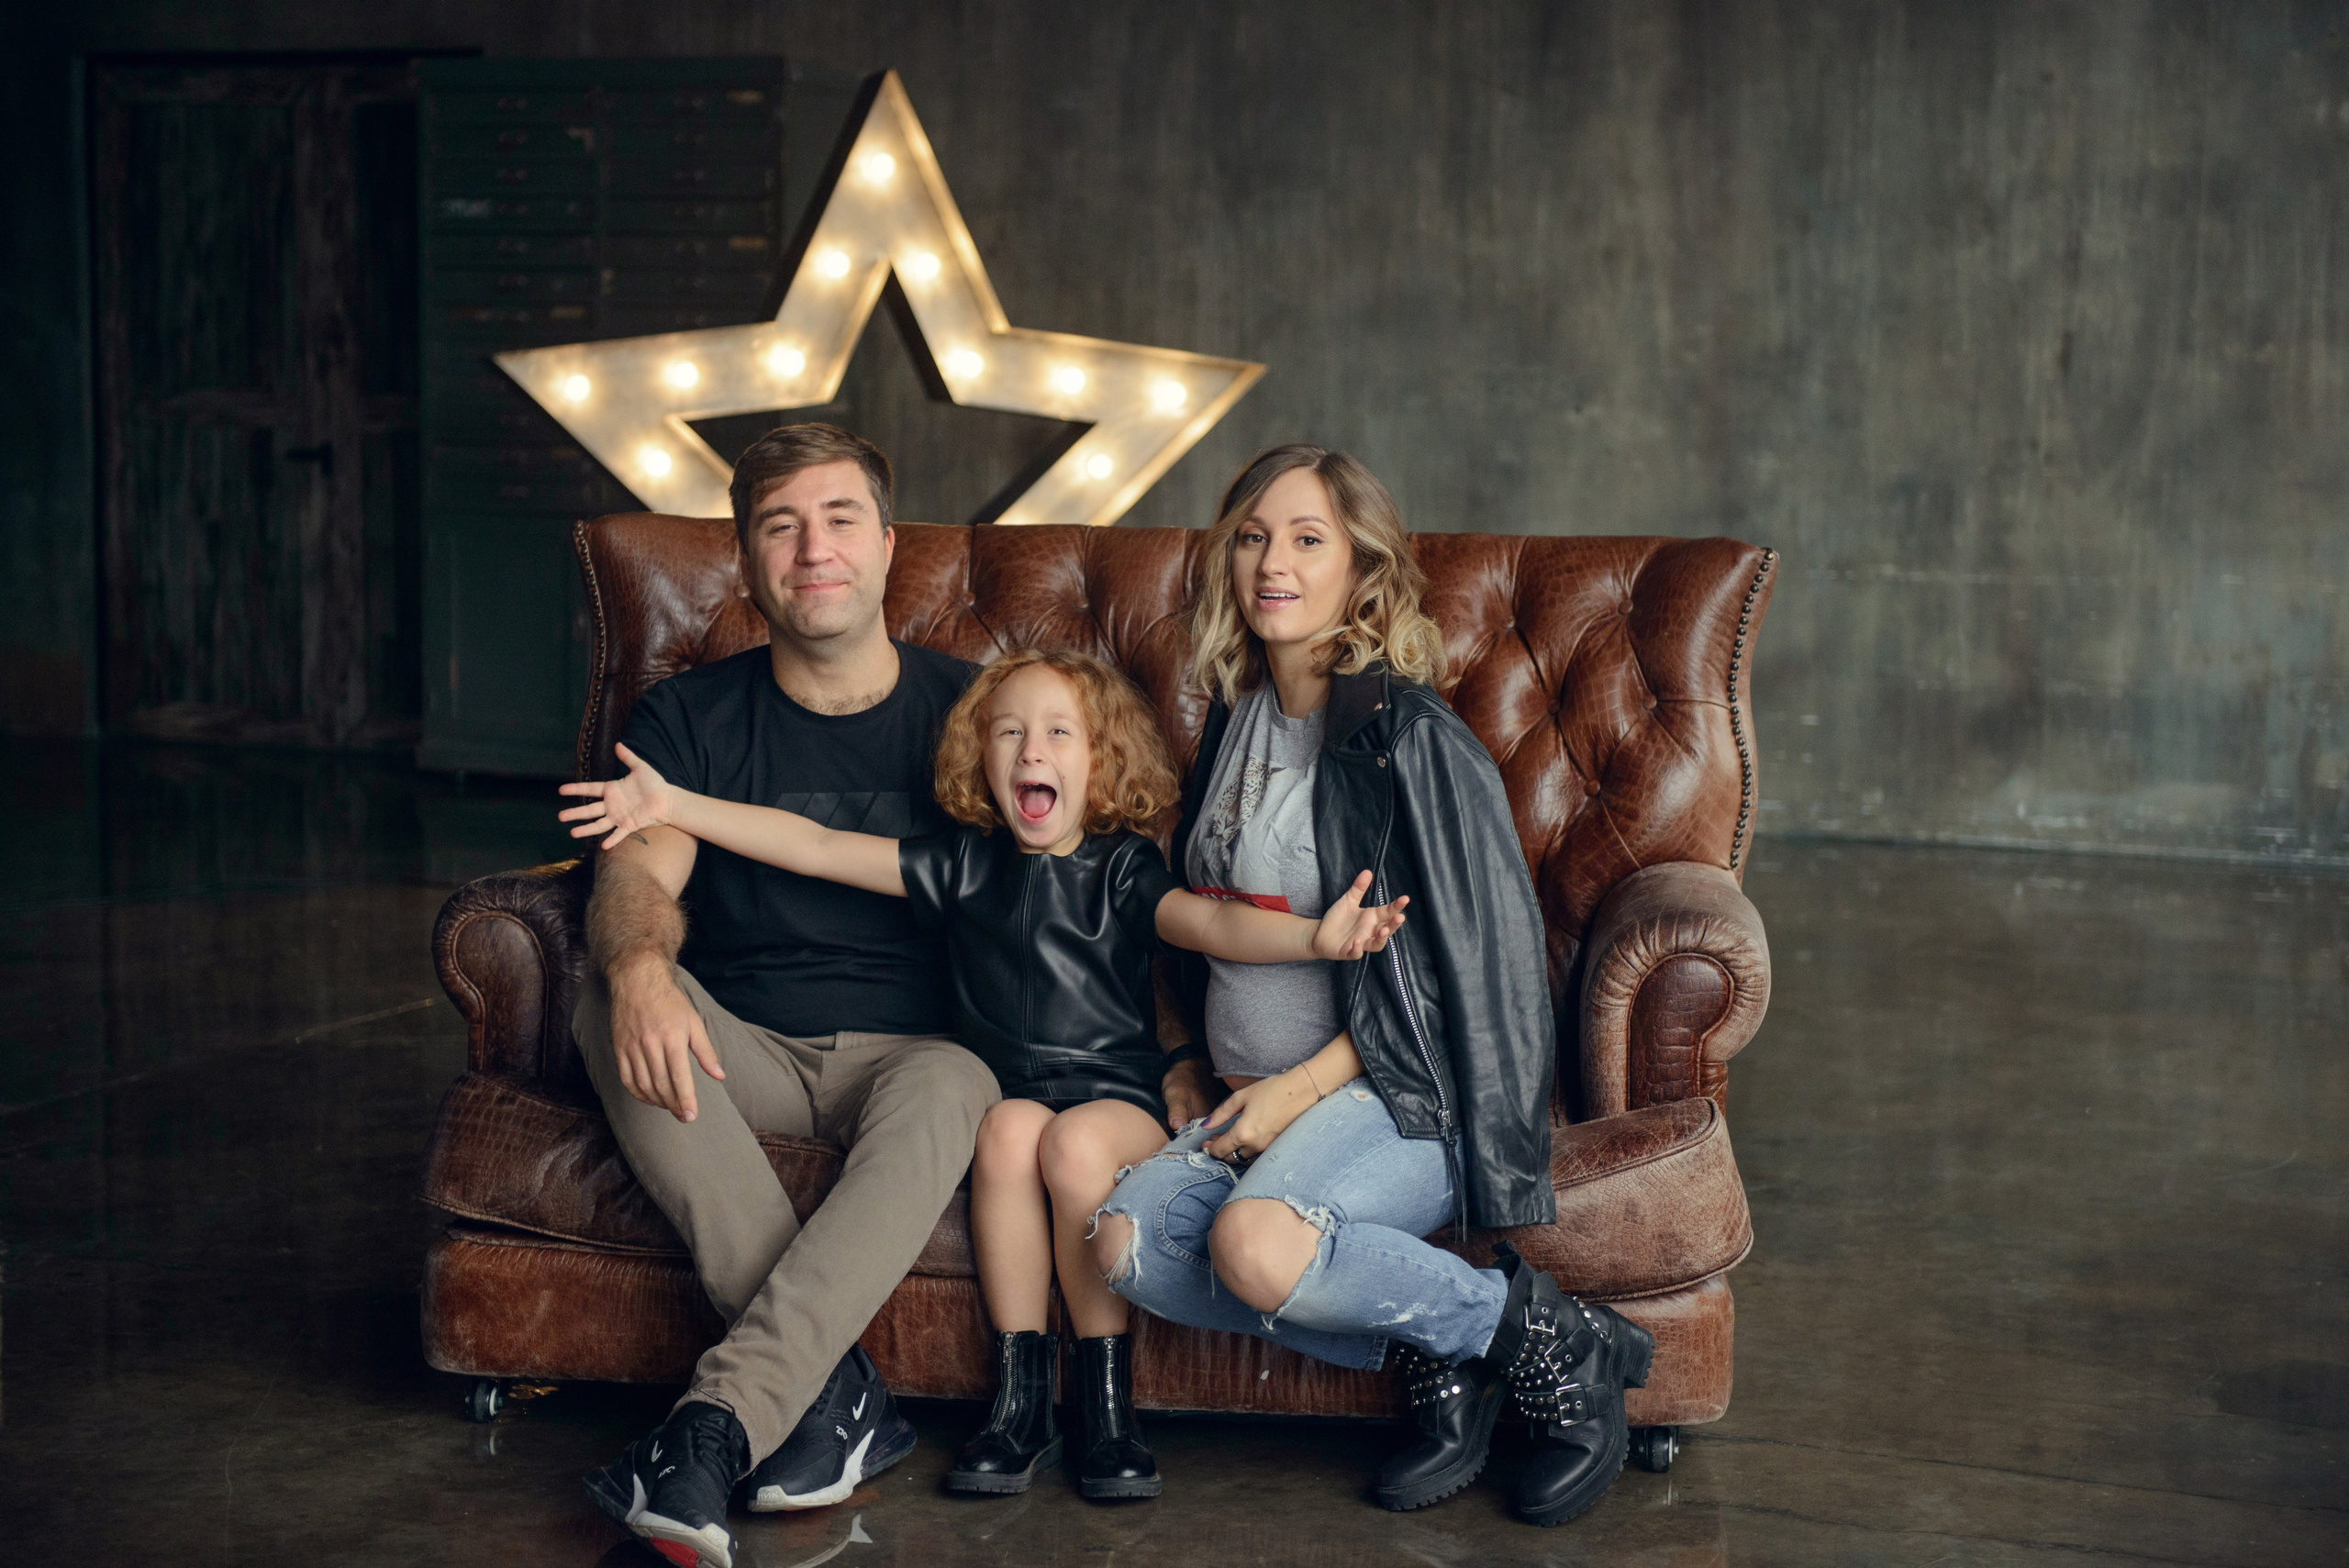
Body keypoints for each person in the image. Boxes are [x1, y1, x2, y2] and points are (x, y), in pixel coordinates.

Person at [561, 646, 1409, 1503]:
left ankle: (1109, 1409)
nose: (1031, 751)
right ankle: (1020, 1401)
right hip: (1012, 1098)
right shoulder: (964, 866)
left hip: (1115, 1102)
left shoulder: (1121, 869)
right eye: (1009, 732)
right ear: (981, 757)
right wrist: (675, 804)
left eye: (1058, 733)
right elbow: (816, 846)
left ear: (1102, 758)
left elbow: (1214, 927)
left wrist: (1314, 938)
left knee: (1074, 1146)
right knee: (1003, 1130)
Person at [1088, 445, 1655, 1529]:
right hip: (1255, 1094)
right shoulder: (1235, 720)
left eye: (1308, 539)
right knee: (1128, 1239)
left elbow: (1466, 975)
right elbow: (1197, 923)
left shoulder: (1410, 739)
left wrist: (1294, 1091)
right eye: (1253, 536)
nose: (1273, 562)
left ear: (1363, 570)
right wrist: (1181, 1059)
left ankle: (1553, 1347)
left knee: (1251, 1242)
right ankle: (1450, 1349)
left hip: (1403, 1095)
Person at [566, 423, 1000, 1568]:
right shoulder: (685, 722)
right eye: (781, 525)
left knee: (961, 1079)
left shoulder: (975, 713)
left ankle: (714, 1425)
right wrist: (643, 968)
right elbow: (637, 874)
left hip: (915, 1053)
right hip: (742, 1044)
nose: (815, 549)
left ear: (889, 545)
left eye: (840, 518)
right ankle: (829, 1400)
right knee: (608, 994)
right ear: (747, 563)